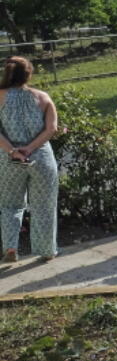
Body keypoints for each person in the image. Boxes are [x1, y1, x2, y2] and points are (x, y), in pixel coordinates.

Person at [0, 56, 58, 263]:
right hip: (41, 157)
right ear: (29, 74)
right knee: (44, 205)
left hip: (9, 160)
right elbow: (51, 128)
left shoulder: (0, 96)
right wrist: (30, 148)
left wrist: (13, 151)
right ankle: (46, 250)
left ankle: (10, 248)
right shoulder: (43, 97)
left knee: (9, 205)